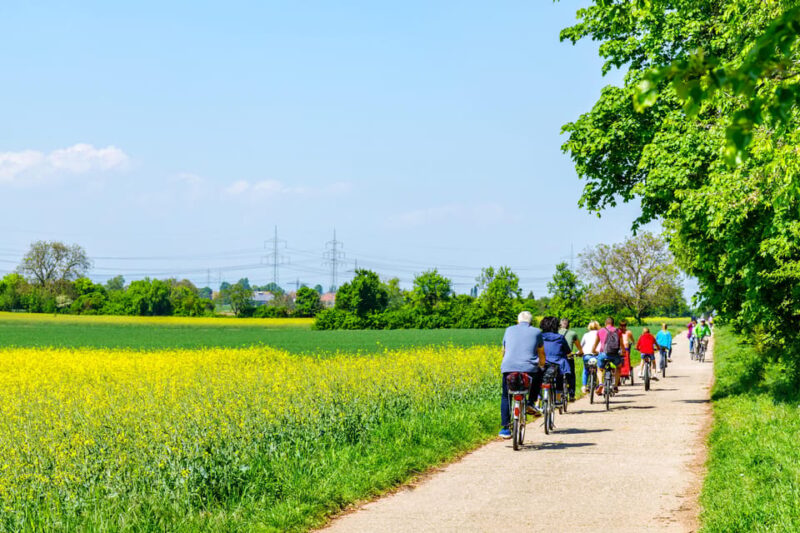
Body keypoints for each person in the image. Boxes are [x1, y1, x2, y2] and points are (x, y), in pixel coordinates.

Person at [498, 311, 545, 439]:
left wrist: (505, 364)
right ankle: (530, 402)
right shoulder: (536, 332)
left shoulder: (509, 330)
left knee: (506, 396)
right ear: (531, 322)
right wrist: (542, 365)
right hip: (529, 368)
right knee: (539, 374)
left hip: (508, 367)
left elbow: (504, 349)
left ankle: (505, 428)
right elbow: (541, 352)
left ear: (518, 321)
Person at [539, 316, 572, 405]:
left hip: (543, 362)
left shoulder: (540, 337)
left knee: (539, 378)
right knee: (560, 376)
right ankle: (558, 399)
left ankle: (537, 400)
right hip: (557, 362)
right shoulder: (560, 337)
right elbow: (568, 351)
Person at [592, 317, 622, 395]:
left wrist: (594, 350)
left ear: (605, 323)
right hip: (615, 354)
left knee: (600, 369)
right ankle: (615, 385)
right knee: (618, 367)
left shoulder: (600, 331)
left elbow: (595, 344)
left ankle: (601, 383)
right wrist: (624, 352)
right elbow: (621, 344)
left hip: (603, 354)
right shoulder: (618, 331)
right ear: (613, 323)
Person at [558, 318, 583, 402]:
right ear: (568, 325)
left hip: (558, 358)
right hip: (569, 358)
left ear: (560, 325)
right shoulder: (572, 333)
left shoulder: (556, 333)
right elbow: (579, 346)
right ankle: (571, 395)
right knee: (571, 376)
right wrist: (580, 352)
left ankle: (557, 394)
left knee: (557, 376)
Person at [580, 321, 601, 393]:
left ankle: (584, 386)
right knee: (599, 369)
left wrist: (578, 353)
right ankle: (599, 385)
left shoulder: (586, 335)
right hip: (597, 355)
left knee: (585, 370)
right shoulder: (599, 334)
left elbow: (581, 345)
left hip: (587, 355)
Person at [619, 320, 635, 386]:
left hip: (619, 349)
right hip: (625, 349)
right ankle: (626, 372)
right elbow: (632, 340)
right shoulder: (628, 332)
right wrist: (633, 343)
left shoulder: (618, 332)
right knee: (626, 361)